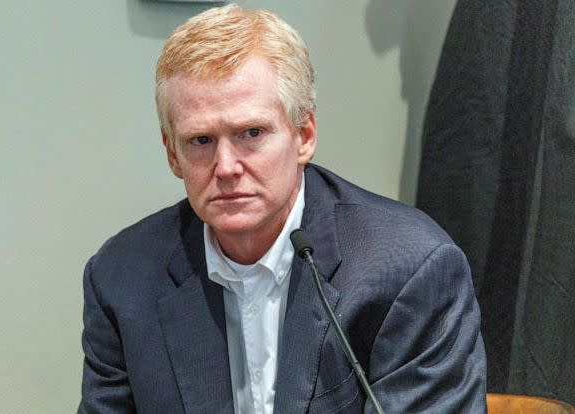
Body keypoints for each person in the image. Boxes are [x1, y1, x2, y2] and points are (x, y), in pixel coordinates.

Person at [78, 4, 486, 413]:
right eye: (200, 141)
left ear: (303, 135)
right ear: (172, 154)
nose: (226, 167)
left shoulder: (409, 271)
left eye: (251, 133)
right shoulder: (121, 280)